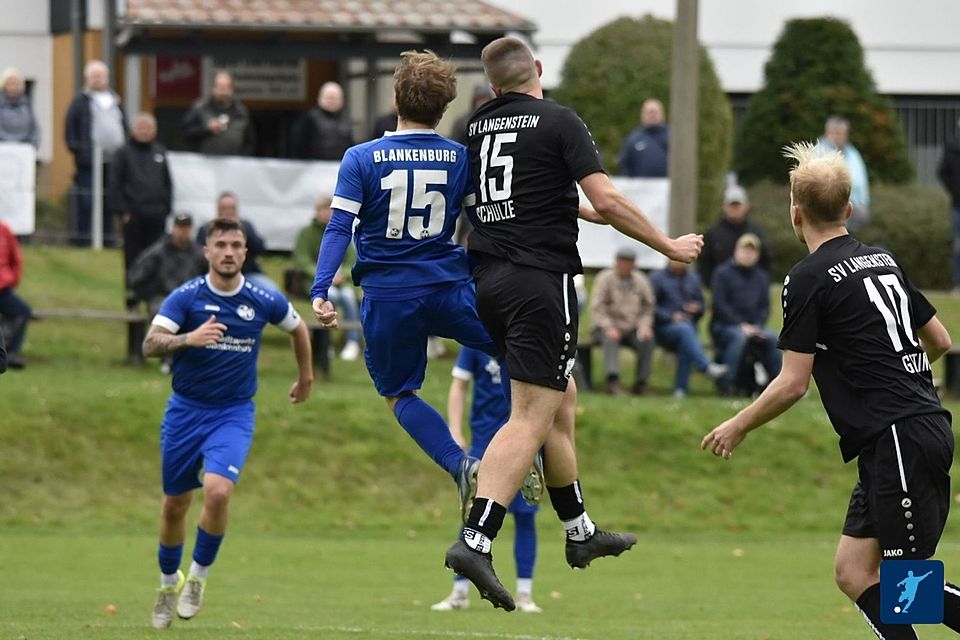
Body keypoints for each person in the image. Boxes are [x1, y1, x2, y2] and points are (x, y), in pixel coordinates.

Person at [445, 36, 702, 612]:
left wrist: (572, 206)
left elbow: (513, 191)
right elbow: (606, 199)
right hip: (540, 282)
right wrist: (667, 245)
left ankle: (579, 529)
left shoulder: (477, 127)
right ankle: (476, 539)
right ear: (538, 68)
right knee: (530, 416)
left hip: (488, 281)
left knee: (561, 399)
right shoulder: (560, 120)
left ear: (493, 86)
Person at [701, 141, 960, 640]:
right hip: (899, 434)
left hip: (899, 437)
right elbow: (941, 341)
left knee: (905, 584)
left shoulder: (806, 278)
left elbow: (792, 383)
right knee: (853, 571)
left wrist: (738, 424)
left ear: (795, 213)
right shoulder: (882, 259)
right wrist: (898, 376)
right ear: (849, 209)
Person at [311, 50, 543, 531]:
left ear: (396, 100)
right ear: (444, 109)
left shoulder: (361, 158)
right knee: (517, 355)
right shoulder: (459, 157)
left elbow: (338, 227)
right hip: (449, 288)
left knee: (400, 393)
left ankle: (462, 466)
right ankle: (523, 448)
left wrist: (321, 289)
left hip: (389, 297)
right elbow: (486, 222)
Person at [143, 217, 312, 629]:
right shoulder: (186, 297)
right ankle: (167, 584)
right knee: (174, 506)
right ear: (206, 251)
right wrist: (188, 339)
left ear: (245, 252)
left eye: (236, 245)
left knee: (218, 493)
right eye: (220, 245)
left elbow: (298, 328)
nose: (229, 252)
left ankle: (198, 578)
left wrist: (305, 377)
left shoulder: (261, 297)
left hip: (233, 413)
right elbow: (150, 344)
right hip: (185, 411)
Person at [432, 346, 543, 614]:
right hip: (484, 445)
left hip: (524, 444)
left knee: (525, 516)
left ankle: (525, 594)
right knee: (473, 516)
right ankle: (459, 592)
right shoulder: (474, 341)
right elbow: (459, 385)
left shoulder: (527, 340)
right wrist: (454, 429)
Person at [65, 60, 128, 246]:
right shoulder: (80, 102)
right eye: (94, 76)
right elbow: (70, 129)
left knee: (108, 201)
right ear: (87, 79)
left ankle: (107, 239)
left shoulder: (116, 101)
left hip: (113, 162)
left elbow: (124, 126)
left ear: (107, 78)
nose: (98, 79)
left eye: (101, 76)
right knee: (87, 200)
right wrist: (79, 150)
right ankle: (84, 239)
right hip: (89, 162)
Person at [709, 233, 781, 396]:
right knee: (738, 337)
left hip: (754, 326)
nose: (748, 254)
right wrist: (740, 325)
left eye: (752, 251)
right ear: (736, 251)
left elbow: (765, 307)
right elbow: (719, 305)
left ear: (757, 255)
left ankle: (777, 386)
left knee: (774, 339)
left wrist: (757, 326)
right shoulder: (722, 273)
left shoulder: (761, 277)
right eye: (745, 250)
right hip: (724, 326)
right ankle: (727, 384)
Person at [112, 112, 173, 303]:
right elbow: (115, 184)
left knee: (157, 256)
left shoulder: (160, 152)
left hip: (156, 214)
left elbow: (167, 183)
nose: (145, 131)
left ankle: (153, 295)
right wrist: (122, 211)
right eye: (141, 127)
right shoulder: (123, 153)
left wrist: (166, 209)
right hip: (133, 215)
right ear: (134, 129)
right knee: (133, 256)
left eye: (148, 128)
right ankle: (132, 294)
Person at [291, 197, 361, 360]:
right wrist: (324, 276)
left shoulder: (343, 232)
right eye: (322, 209)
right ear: (316, 212)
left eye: (329, 209)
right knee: (330, 296)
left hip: (341, 282)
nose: (326, 213)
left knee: (348, 297)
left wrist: (342, 274)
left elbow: (351, 260)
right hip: (316, 281)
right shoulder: (306, 233)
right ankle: (325, 343)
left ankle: (353, 341)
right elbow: (302, 260)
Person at [651, 260, 727, 398]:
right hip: (662, 328)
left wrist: (696, 309)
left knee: (686, 337)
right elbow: (650, 306)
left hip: (688, 327)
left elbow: (702, 305)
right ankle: (705, 366)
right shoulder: (657, 278)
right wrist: (671, 316)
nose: (680, 261)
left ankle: (680, 390)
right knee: (685, 331)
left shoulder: (694, 278)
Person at [589, 247, 655, 395]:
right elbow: (598, 308)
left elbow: (648, 307)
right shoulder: (604, 278)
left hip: (632, 328)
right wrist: (608, 327)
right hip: (605, 327)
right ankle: (613, 381)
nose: (625, 265)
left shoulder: (641, 280)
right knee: (610, 338)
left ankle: (641, 383)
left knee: (647, 340)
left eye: (629, 262)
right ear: (616, 262)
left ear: (634, 264)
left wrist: (645, 325)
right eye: (623, 261)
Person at [129, 212, 206, 317]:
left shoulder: (199, 254)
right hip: (162, 297)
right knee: (163, 311)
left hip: (191, 298)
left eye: (186, 227)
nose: (183, 231)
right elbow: (136, 277)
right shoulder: (157, 252)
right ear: (173, 228)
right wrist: (152, 293)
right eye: (180, 227)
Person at [196, 192, 277, 291]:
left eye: (232, 208)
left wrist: (246, 233)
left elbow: (260, 248)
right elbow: (198, 256)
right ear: (218, 210)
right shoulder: (206, 229)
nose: (228, 212)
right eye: (224, 208)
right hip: (214, 277)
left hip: (248, 274)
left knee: (271, 289)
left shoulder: (246, 227)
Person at [698, 185, 771, 287]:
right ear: (724, 206)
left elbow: (766, 261)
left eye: (738, 205)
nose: (735, 208)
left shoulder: (756, 233)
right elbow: (704, 263)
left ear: (746, 206)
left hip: (750, 290)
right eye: (731, 205)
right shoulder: (713, 234)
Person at [182, 71, 255, 156]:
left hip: (233, 162)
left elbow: (250, 141)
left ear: (232, 89)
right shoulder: (200, 108)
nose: (223, 92)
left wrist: (242, 159)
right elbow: (186, 134)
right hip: (205, 161)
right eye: (220, 87)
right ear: (214, 88)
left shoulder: (241, 111)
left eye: (226, 87)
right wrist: (206, 129)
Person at [818, 116, 870, 229]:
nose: (835, 137)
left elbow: (862, 182)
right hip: (828, 206)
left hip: (854, 207)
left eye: (839, 133)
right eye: (833, 133)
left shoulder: (853, 154)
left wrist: (864, 203)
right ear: (826, 133)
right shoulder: (818, 152)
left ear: (846, 134)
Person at [292, 82, 355, 160]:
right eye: (329, 97)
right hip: (314, 164)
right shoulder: (310, 118)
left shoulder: (345, 121)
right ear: (320, 98)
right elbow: (299, 145)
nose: (332, 101)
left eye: (336, 98)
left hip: (340, 164)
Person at [0, 220, 29, 370]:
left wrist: (12, 279)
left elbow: (16, 258)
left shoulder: (4, 230)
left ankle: (11, 352)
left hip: (2, 289)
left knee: (21, 310)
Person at [617, 98, 669, 178]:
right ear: (642, 114)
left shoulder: (672, 137)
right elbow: (624, 165)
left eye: (655, 112)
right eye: (649, 112)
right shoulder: (633, 139)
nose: (652, 115)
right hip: (640, 185)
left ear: (662, 114)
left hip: (668, 184)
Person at [937, 121, 960, 294]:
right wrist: (955, 192)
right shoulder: (952, 148)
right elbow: (942, 172)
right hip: (958, 205)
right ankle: (958, 283)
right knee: (958, 246)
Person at [0, 67, 38, 147]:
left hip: (24, 146)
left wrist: (33, 145)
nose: (13, 87)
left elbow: (34, 128)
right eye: (10, 83)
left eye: (16, 83)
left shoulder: (26, 104)